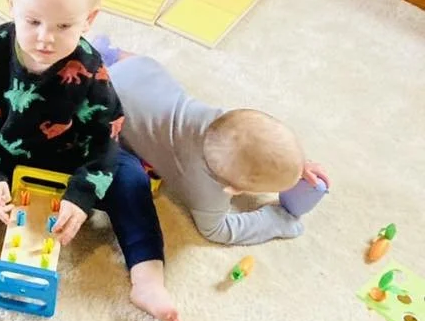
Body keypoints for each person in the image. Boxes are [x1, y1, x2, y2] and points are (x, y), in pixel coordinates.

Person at [0, 0, 180, 321]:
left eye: (64, 26)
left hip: (72, 159)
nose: (46, 38)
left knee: (131, 176)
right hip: (5, 154)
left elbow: (106, 135)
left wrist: (82, 196)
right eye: (32, 21)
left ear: (88, 20)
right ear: (11, 3)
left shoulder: (89, 68)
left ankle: (147, 277)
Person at [99, 46, 328, 245]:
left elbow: (260, 141)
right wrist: (277, 220)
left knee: (112, 66)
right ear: (233, 190)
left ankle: (103, 53)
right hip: (107, 101)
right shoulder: (206, 188)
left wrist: (296, 164)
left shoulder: (227, 120)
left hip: (139, 69)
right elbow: (218, 230)